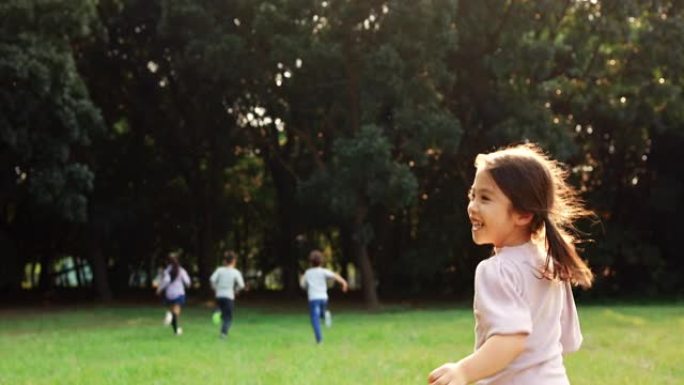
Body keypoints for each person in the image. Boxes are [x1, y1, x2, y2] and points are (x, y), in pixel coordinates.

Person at [428, 143, 594, 385]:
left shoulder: (497, 270)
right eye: (472, 195)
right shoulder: (549, 263)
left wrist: (463, 371)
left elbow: (511, 339)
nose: (473, 206)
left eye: (485, 198)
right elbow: (569, 339)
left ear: (523, 215)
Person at [300, 249, 349, 344]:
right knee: (321, 314)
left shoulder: (308, 273)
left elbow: (302, 284)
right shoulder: (323, 271)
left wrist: (306, 286)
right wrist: (344, 283)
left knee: (315, 319)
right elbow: (335, 276)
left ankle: (319, 340)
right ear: (321, 261)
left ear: (310, 262)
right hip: (323, 298)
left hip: (313, 299)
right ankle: (326, 315)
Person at [209, 250, 245, 339]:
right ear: (233, 261)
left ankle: (218, 312)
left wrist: (215, 288)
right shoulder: (235, 272)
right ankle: (223, 334)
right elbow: (241, 285)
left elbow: (212, 279)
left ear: (225, 261)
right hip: (229, 296)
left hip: (219, 295)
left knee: (221, 310)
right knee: (228, 318)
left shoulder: (219, 270)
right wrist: (236, 291)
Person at [156, 252, 191, 336]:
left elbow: (165, 281)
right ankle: (170, 315)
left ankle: (176, 331)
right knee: (176, 313)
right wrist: (188, 285)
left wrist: (159, 289)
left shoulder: (167, 270)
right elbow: (187, 281)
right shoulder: (181, 270)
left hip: (169, 294)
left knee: (174, 313)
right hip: (179, 293)